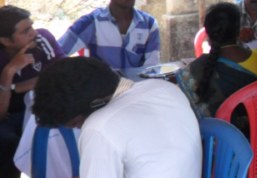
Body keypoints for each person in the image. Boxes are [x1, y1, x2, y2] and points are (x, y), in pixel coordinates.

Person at [32, 57, 201, 178]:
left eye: (76, 124)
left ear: (96, 104)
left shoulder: (99, 127)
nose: (80, 129)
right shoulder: (165, 88)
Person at [0, 6, 64, 178]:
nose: (33, 33)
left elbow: (63, 75)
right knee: (6, 141)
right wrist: (9, 72)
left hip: (44, 108)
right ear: (6, 40)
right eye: (26, 31)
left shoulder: (43, 39)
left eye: (32, 26)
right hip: (11, 115)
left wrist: (19, 87)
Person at [59, 0, 160, 74]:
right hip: (104, 89)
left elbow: (152, 68)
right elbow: (58, 54)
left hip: (140, 88)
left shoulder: (149, 24)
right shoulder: (91, 23)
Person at [177, 2, 257, 120]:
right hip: (255, 131)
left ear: (208, 33)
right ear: (237, 31)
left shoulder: (193, 71)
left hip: (216, 135)